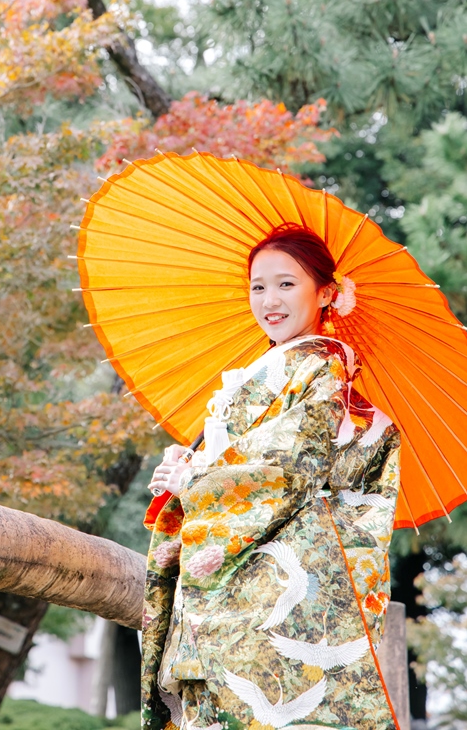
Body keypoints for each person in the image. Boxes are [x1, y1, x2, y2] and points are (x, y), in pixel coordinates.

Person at [141, 224, 401, 730]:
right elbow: (247, 455)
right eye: (258, 286)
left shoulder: (322, 365)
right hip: (229, 590)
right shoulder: (271, 367)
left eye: (287, 284)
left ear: (326, 293)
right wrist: (192, 462)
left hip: (260, 598)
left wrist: (196, 479)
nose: (269, 300)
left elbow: (290, 468)